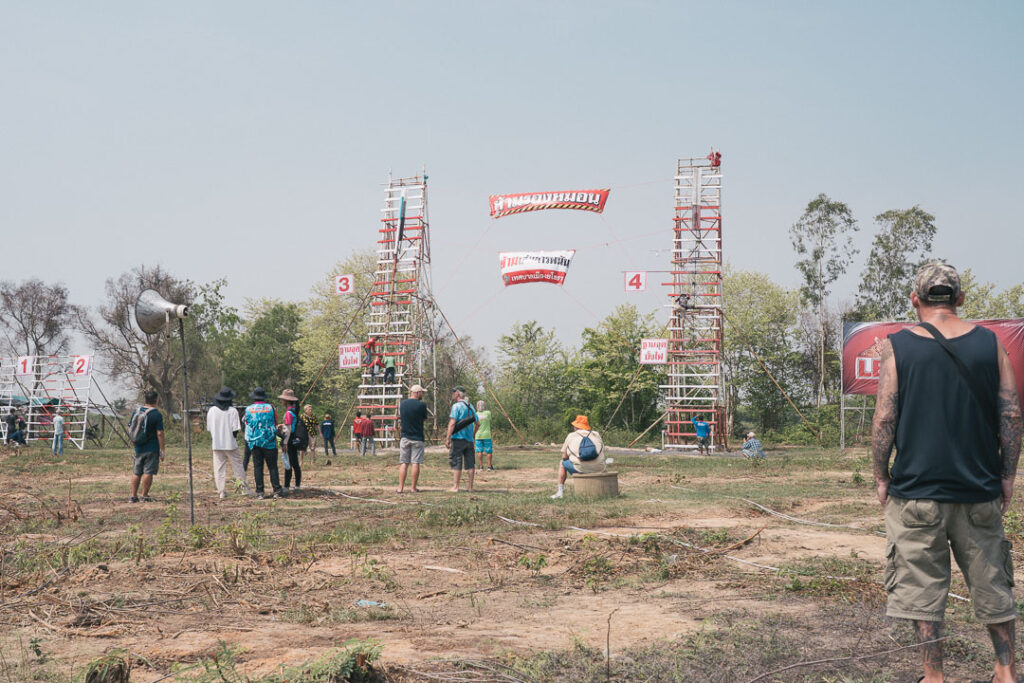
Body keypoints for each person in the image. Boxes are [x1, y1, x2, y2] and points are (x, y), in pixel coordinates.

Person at [872, 261, 1022, 683]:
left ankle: (934, 677)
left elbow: (885, 417)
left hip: (917, 492)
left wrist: (882, 475)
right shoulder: (990, 343)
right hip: (979, 490)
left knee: (922, 591)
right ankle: (1006, 672)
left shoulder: (897, 347)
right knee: (993, 584)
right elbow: (1011, 412)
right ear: (959, 298)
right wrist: (1007, 475)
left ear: (915, 300)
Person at [207, 387, 253, 499]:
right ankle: (244, 489)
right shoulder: (232, 411)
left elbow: (209, 428)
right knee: (238, 466)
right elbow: (235, 429)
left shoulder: (212, 410)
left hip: (216, 444)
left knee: (218, 468)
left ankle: (221, 491)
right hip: (230, 444)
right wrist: (231, 438)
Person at [552, 415, 605, 499]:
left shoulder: (571, 436)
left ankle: (560, 492)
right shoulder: (596, 434)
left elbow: (564, 457)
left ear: (576, 427)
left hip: (580, 468)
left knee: (562, 463)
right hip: (599, 468)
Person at [245, 387, 283, 499]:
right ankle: (276, 490)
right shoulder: (270, 407)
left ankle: (260, 492)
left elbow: (247, 423)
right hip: (269, 441)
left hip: (255, 442)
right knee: (272, 467)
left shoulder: (248, 409)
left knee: (258, 467)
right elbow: (275, 422)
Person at [129, 390, 165, 503]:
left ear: (145, 400)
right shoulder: (156, 414)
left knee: (136, 472)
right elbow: (159, 433)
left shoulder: (136, 411)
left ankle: (133, 496)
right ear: (156, 400)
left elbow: (130, 427)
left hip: (138, 447)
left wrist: (133, 440)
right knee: (148, 471)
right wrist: (162, 449)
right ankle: (144, 495)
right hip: (152, 448)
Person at [446, 387, 478, 492]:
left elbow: (452, 423)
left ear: (458, 394)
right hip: (469, 440)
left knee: (456, 462)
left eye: (453, 392)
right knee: (470, 463)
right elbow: (477, 423)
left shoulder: (456, 406)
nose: (452, 394)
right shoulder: (471, 406)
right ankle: (470, 487)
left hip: (458, 439)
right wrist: (473, 435)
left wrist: (448, 438)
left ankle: (456, 487)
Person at [397, 384, 428, 493]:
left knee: (404, 463)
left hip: (405, 436)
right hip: (417, 437)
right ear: (417, 393)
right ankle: (413, 488)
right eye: (421, 392)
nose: (422, 394)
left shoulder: (403, 404)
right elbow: (424, 418)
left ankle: (400, 488)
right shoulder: (422, 405)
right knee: (415, 462)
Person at [279, 389, 306, 492]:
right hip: (294, 439)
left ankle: (286, 486)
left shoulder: (289, 413)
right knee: (294, 462)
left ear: (286, 401)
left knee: (288, 463)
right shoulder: (293, 411)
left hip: (289, 440)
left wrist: (285, 442)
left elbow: (289, 428)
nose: (281, 401)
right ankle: (297, 485)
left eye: (282, 399)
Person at [475, 400, 494, 471]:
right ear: (484, 406)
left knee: (479, 451)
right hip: (487, 435)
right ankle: (489, 466)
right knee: (488, 451)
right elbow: (489, 419)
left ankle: (480, 466)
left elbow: (474, 425)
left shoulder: (475, 414)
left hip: (478, 435)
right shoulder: (488, 413)